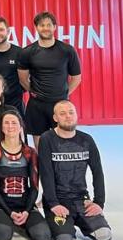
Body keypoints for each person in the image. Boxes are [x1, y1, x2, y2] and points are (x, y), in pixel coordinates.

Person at [38, 101, 111, 240]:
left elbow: (97, 172)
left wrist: (98, 202)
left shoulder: (86, 140)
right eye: (63, 113)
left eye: (71, 112)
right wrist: (53, 204)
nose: (68, 116)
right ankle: (60, 224)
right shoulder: (47, 139)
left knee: (104, 236)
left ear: (76, 115)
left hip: (81, 200)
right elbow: (46, 174)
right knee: (64, 239)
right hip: (58, 200)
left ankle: (82, 221)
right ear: (55, 118)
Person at [18, 11, 82, 149]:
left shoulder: (67, 50)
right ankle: (42, 163)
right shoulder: (27, 52)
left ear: (55, 27)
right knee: (40, 144)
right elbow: (23, 79)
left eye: (49, 25)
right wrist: (35, 92)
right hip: (37, 104)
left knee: (62, 143)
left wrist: (64, 94)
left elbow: (76, 78)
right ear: (36, 27)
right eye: (42, 25)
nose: (45, 28)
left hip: (60, 103)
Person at [0, 111, 50, 240]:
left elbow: (34, 187)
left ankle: (21, 222)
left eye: (14, 123)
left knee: (43, 236)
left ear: (21, 127)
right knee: (3, 236)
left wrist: (27, 211)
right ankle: (9, 221)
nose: (10, 126)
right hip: (1, 204)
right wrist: (9, 212)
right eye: (6, 123)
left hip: (24, 204)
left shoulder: (30, 152)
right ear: (1, 127)